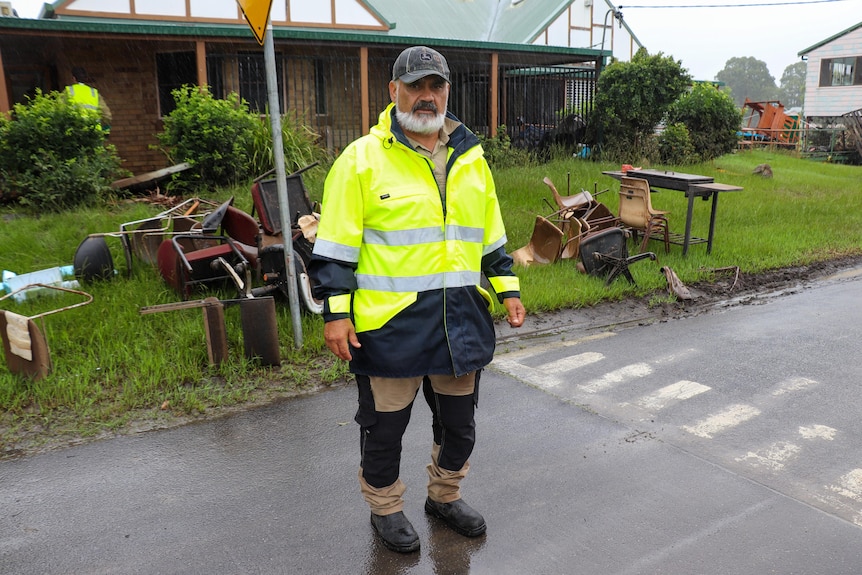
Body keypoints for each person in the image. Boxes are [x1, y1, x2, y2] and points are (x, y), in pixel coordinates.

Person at [309, 45, 526, 554]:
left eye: (435, 87)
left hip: (461, 321)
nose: (425, 97)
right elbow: (336, 246)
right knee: (384, 431)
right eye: (415, 86)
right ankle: (385, 508)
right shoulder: (361, 160)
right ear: (394, 91)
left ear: (447, 92)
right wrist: (337, 315)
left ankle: (444, 497)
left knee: (460, 427)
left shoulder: (471, 158)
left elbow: (489, 234)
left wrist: (508, 288)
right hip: (391, 326)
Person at [65, 67, 112, 131]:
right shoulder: (94, 92)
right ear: (85, 78)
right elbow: (107, 115)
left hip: (76, 130)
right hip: (93, 131)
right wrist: (103, 126)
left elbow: (59, 111)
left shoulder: (69, 91)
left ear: (74, 78)